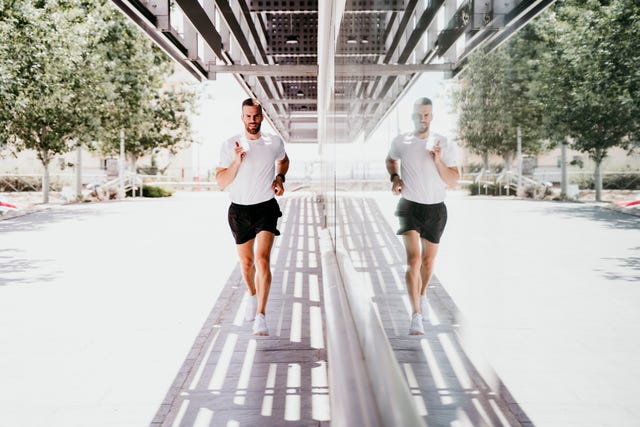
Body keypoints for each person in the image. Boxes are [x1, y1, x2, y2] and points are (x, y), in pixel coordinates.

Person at [385, 97, 459, 335]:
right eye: (418, 114)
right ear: (413, 115)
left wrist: (437, 159)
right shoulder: (402, 141)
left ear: (432, 116)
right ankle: (415, 315)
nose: (422, 118)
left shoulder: (444, 143)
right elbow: (390, 159)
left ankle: (423, 294)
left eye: (426, 115)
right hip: (409, 207)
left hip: (436, 209)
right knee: (414, 260)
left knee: (428, 262)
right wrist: (395, 178)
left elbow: (453, 181)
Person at [216, 98, 290, 336]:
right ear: (242, 117)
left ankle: (261, 315)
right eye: (248, 116)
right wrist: (237, 162)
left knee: (262, 259)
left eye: (256, 116)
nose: (252, 120)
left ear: (262, 117)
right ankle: (251, 294)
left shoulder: (273, 143)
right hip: (239, 211)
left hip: (266, 208)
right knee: (246, 264)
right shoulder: (229, 145)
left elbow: (284, 160)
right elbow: (221, 183)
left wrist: (280, 179)